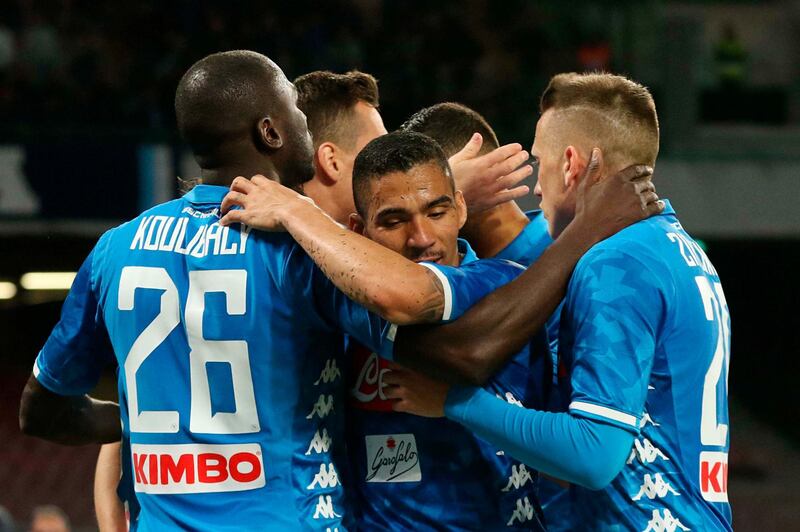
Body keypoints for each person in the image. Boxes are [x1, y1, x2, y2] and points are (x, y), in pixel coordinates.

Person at [18, 51, 526, 531]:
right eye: (295, 111)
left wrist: (142, 426)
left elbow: (42, 410)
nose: (305, 122)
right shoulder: (301, 252)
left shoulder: (116, 249)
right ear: (271, 130)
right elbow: (439, 333)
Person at [386, 72, 732, 531]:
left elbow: (594, 454)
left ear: (570, 164)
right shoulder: (678, 250)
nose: (536, 187)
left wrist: (454, 402)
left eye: (541, 162)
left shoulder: (615, 263)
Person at [343, 130, 546, 530]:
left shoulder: (506, 290)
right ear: (357, 230)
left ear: (461, 209)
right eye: (394, 221)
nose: (420, 239)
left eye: (436, 213)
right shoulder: (342, 307)